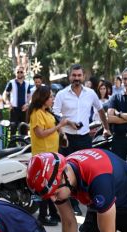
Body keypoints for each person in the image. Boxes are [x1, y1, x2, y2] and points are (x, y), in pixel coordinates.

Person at [53, 64, 110, 215]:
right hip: (66, 138)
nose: (76, 78)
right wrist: (67, 122)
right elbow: (55, 114)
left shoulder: (90, 93)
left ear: (83, 77)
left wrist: (106, 128)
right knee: (66, 171)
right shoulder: (61, 94)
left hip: (84, 138)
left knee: (85, 170)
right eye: (74, 75)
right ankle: (71, 203)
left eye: (79, 75)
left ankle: (85, 200)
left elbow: (100, 110)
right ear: (69, 76)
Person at [28, 85, 72, 225]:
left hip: (52, 155)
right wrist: (59, 127)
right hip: (42, 156)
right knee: (44, 187)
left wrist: (62, 134)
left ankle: (53, 213)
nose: (53, 99)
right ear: (44, 98)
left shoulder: (48, 113)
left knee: (53, 185)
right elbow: (40, 134)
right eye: (51, 97)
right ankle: (42, 216)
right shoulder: (36, 113)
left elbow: (53, 130)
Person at [3, 66, 32, 136]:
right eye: (17, 72)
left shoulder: (27, 83)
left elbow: (29, 95)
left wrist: (27, 104)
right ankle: (12, 145)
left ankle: (23, 145)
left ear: (24, 73)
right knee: (13, 129)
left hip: (23, 110)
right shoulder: (11, 82)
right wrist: (8, 103)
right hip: (14, 110)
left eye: (21, 72)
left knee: (24, 130)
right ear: (15, 73)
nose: (19, 73)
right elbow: (5, 94)